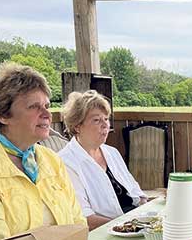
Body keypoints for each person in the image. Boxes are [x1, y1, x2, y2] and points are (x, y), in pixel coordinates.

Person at [0, 62, 85, 240]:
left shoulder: (52, 160)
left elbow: (78, 224)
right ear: (3, 116)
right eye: (34, 107)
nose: (46, 114)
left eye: (47, 106)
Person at [59, 90, 146, 230]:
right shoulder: (65, 162)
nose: (105, 125)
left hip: (136, 223)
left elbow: (138, 195)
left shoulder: (112, 153)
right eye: (97, 120)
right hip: (107, 234)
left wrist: (149, 218)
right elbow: (85, 218)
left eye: (106, 119)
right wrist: (128, 228)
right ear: (77, 126)